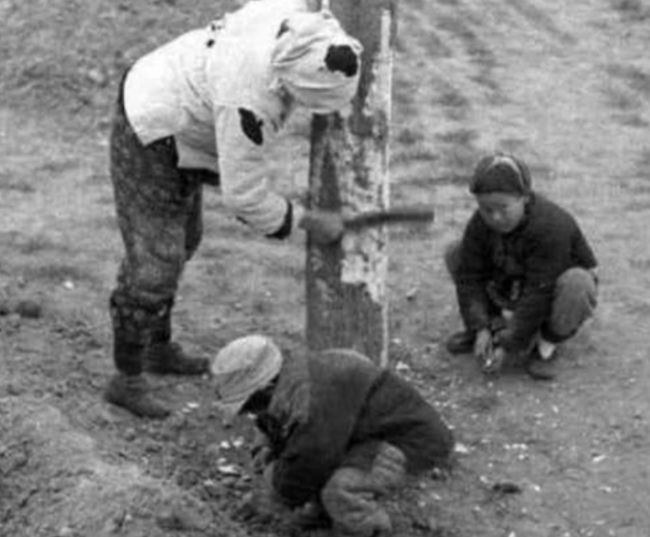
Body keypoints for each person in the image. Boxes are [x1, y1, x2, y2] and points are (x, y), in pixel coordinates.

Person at [104, 0, 364, 418]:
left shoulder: (300, 19)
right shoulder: (247, 101)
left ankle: (157, 347)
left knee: (184, 239)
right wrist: (305, 221)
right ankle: (127, 378)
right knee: (155, 260)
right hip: (153, 125)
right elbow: (244, 197)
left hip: (187, 111)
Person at [210, 335, 455, 537]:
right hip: (361, 433)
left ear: (265, 388)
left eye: (249, 406)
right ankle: (325, 514)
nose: (249, 414)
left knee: (342, 490)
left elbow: (308, 463)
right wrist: (265, 447)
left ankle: (371, 530)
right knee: (315, 462)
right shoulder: (291, 377)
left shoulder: (312, 397)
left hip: (409, 440)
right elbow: (275, 424)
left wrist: (271, 493)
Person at [445, 153, 599, 380]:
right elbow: (470, 277)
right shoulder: (479, 224)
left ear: (525, 197)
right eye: (486, 209)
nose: (495, 217)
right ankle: (489, 330)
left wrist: (508, 345)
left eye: (503, 208)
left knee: (578, 283)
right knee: (457, 253)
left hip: (551, 293)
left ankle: (545, 345)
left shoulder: (551, 226)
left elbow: (539, 292)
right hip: (516, 284)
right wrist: (480, 326)